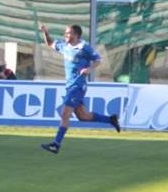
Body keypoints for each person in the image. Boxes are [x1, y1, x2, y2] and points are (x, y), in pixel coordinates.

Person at [38, 23, 121, 155]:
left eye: (68, 33)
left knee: (65, 113)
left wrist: (89, 69)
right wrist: (45, 32)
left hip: (78, 86)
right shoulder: (65, 46)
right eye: (65, 33)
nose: (65, 35)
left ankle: (56, 144)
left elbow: (98, 59)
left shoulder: (84, 47)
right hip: (70, 86)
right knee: (83, 116)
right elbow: (50, 43)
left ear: (76, 35)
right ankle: (110, 119)